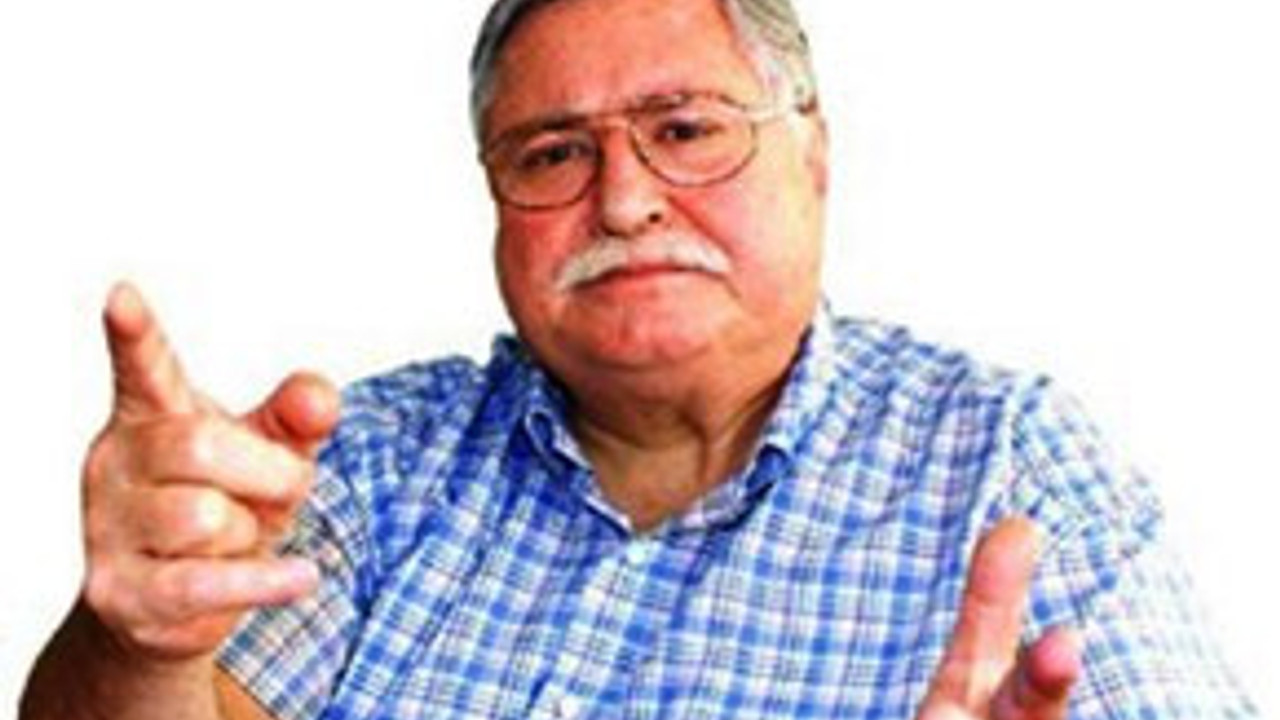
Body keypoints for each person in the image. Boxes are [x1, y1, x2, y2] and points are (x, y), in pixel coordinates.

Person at [20, 0, 1257, 717]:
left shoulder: (1005, 463)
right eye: (553, 153)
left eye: (685, 130)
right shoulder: (369, 461)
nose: (622, 199)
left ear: (813, 153)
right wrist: (135, 647)